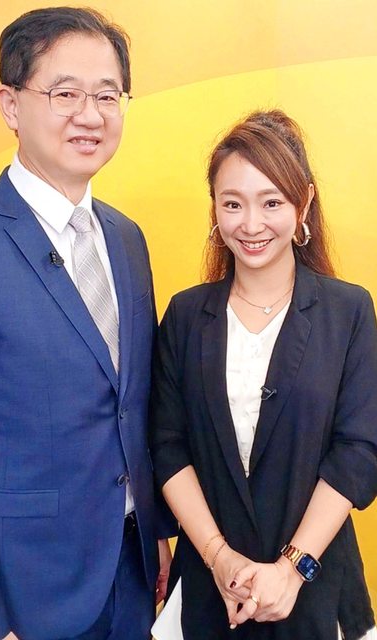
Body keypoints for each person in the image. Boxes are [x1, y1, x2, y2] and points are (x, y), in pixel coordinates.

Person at [0, 7, 175, 640]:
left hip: (131, 577)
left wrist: (154, 530)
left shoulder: (127, 239)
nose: (90, 115)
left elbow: (132, 408)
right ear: (10, 105)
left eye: (107, 96)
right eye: (65, 94)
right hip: (24, 599)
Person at [149, 110, 377, 640]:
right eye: (233, 204)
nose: (251, 225)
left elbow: (359, 452)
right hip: (209, 589)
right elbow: (166, 446)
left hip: (319, 587)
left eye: (271, 202)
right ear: (214, 208)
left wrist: (291, 570)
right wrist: (219, 558)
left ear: (304, 204)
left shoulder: (348, 312)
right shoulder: (186, 316)